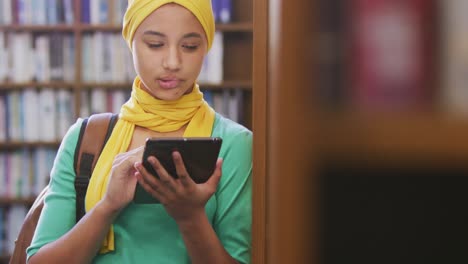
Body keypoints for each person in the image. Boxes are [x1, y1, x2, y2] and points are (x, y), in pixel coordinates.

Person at [26, 0, 252, 263]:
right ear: (130, 41)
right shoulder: (86, 139)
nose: (172, 62)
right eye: (155, 44)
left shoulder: (235, 144)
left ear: (206, 47)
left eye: (189, 46)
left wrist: (190, 217)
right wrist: (108, 206)